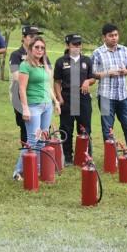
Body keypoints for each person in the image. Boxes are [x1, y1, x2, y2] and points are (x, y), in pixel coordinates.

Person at [92, 23, 127, 169]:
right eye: (110, 36)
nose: (114, 38)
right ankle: (112, 157)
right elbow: (93, 74)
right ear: (104, 37)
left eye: (116, 35)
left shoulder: (125, 50)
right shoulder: (98, 53)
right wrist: (108, 73)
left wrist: (125, 71)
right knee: (107, 129)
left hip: (123, 95)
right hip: (105, 96)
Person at [12, 36, 60, 180]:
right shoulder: (25, 65)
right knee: (32, 140)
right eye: (37, 47)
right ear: (31, 49)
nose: (40, 50)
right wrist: (25, 108)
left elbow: (47, 85)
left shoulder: (43, 64)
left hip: (46, 106)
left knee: (42, 140)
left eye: (42, 48)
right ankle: (18, 172)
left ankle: (36, 169)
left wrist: (56, 101)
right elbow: (21, 88)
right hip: (33, 106)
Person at [54, 33, 95, 166]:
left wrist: (87, 82)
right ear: (68, 45)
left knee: (85, 128)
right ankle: (67, 157)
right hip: (67, 97)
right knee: (66, 128)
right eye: (74, 44)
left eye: (79, 44)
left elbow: (93, 78)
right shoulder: (61, 61)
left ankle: (84, 155)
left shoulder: (87, 60)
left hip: (83, 97)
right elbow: (57, 81)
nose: (77, 47)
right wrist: (59, 98)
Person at [9, 25, 46, 144]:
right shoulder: (16, 55)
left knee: (41, 131)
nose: (34, 38)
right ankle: (27, 158)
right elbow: (16, 76)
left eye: (36, 36)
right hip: (20, 96)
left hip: (39, 97)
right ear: (23, 38)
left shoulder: (41, 55)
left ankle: (36, 159)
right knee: (26, 129)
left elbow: (48, 76)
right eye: (31, 36)